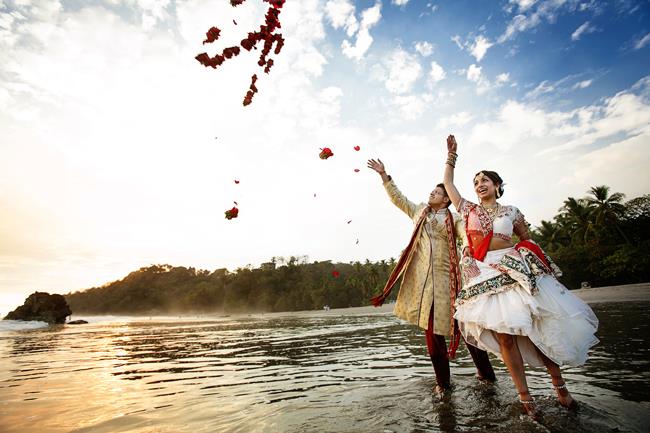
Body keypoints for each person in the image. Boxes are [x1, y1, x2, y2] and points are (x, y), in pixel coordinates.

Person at [442, 135, 599, 418]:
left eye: (486, 179)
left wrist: (534, 265)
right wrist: (451, 156)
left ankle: (559, 385)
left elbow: (527, 240)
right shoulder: (469, 210)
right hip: (484, 273)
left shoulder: (512, 211)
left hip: (515, 268)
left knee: (537, 327)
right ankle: (526, 399)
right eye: (476, 180)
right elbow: (449, 185)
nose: (480, 183)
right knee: (505, 338)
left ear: (497, 186)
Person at [367, 158, 496, 393]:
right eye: (432, 191)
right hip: (425, 288)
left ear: (446, 199)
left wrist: (467, 246)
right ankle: (443, 385)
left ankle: (487, 376)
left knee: (467, 329)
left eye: (437, 192)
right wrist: (384, 176)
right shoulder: (419, 212)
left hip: (451, 283)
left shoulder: (453, 218)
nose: (432, 194)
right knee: (433, 335)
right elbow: (398, 198)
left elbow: (464, 234)